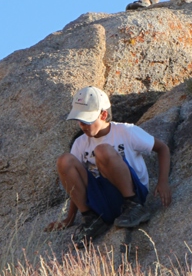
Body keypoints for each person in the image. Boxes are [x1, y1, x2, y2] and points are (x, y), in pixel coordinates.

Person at [48, 86, 172, 246]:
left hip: (131, 193)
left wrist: (163, 182)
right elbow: (74, 182)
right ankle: (92, 220)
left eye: (87, 120)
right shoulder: (80, 143)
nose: (83, 125)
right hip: (101, 201)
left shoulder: (125, 131)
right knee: (64, 160)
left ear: (103, 114)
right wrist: (70, 217)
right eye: (79, 121)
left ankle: (134, 207)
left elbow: (162, 149)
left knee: (102, 150)